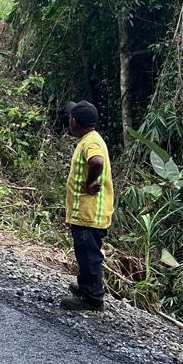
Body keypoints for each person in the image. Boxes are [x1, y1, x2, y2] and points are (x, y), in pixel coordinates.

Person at [60, 100, 115, 311]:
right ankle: (85, 287)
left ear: (74, 122)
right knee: (83, 251)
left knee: (89, 254)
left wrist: (91, 182)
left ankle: (93, 298)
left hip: (89, 214)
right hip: (87, 213)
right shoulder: (91, 138)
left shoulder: (91, 143)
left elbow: (97, 162)